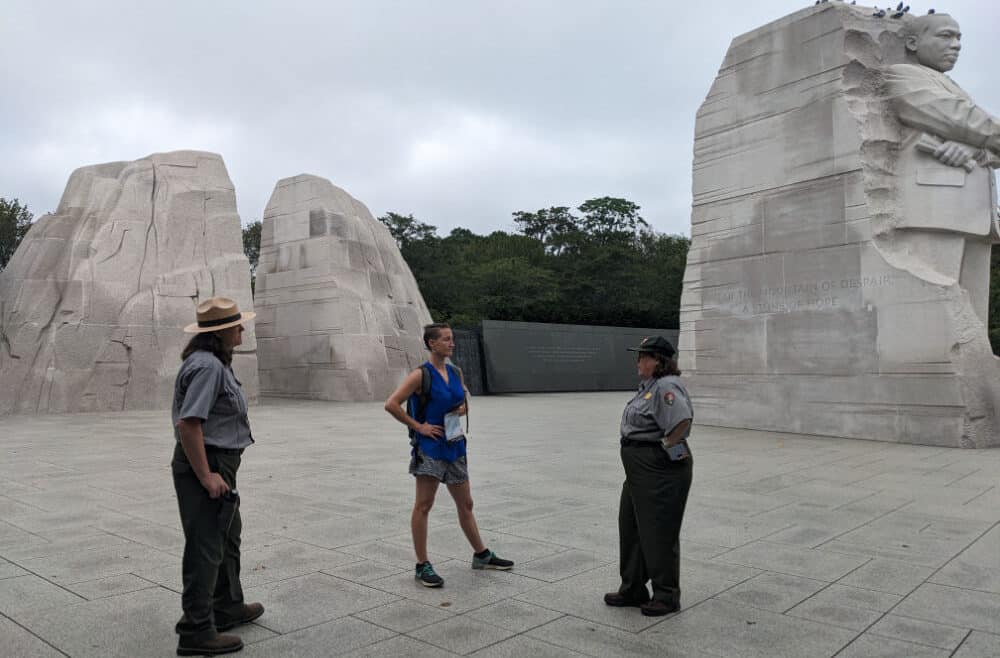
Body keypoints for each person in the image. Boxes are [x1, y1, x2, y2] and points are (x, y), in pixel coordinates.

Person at [384, 322, 513, 588]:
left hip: (454, 446)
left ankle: (481, 554)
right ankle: (422, 565)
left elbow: (463, 400)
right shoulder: (420, 375)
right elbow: (391, 404)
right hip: (430, 449)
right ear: (432, 343)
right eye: (446, 339)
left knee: (466, 504)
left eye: (452, 339)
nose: (451, 343)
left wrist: (462, 409)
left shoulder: (456, 372)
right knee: (424, 505)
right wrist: (418, 426)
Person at [171, 297, 263, 656]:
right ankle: (196, 630)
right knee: (205, 547)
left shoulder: (212, 363)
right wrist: (207, 475)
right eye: (237, 324)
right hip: (206, 463)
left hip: (219, 461)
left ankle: (226, 607)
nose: (242, 328)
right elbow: (189, 424)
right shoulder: (207, 366)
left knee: (227, 538)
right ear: (222, 331)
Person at [604, 336, 692, 617]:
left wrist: (665, 445)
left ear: (659, 361)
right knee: (630, 526)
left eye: (644, 356)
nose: (638, 361)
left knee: (658, 531)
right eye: (639, 356)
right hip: (638, 470)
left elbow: (682, 420)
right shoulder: (649, 386)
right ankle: (633, 588)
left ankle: (666, 595)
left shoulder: (666, 386)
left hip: (658, 469)